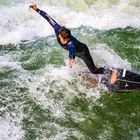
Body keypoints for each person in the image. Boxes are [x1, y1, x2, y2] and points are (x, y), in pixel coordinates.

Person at [29, 4, 104, 74]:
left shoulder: (71, 44)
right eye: (59, 35)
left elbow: (72, 52)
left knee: (93, 70)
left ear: (66, 39)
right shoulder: (58, 29)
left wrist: (71, 61)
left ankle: (110, 70)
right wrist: (37, 10)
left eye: (61, 37)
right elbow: (48, 18)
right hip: (77, 52)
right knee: (80, 68)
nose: (59, 37)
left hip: (83, 52)